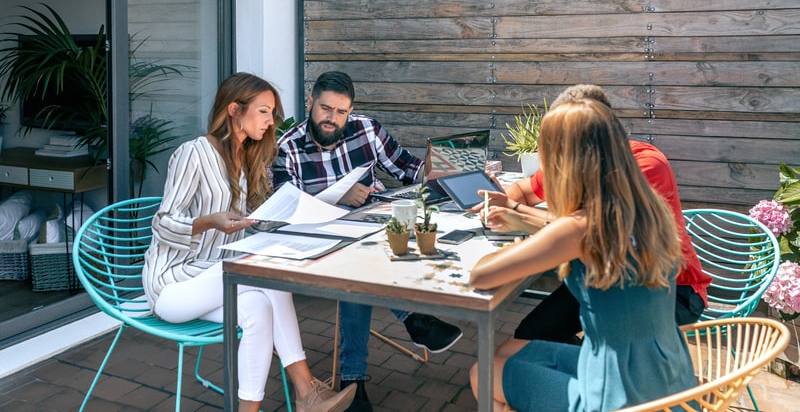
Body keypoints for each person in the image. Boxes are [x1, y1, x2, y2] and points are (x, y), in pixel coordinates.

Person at [142, 73, 356, 412]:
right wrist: (211, 220)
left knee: (258, 309)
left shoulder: (246, 159)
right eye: (264, 111)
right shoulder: (193, 153)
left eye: (272, 113)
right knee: (266, 274)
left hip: (210, 276)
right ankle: (305, 390)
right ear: (234, 110)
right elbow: (162, 224)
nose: (272, 122)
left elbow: (242, 230)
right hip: (173, 284)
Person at [469, 98, 697, 411]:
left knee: (481, 372)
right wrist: (525, 216)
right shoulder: (646, 206)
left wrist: (519, 227)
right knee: (511, 348)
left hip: (618, 398)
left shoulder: (582, 226)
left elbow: (481, 275)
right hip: (666, 381)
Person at [273, 71, 462, 412]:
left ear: (351, 110)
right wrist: (336, 196)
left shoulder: (366, 129)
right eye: (325, 109)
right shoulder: (287, 147)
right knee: (355, 270)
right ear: (310, 103)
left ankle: (353, 382)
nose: (332, 119)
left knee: (381, 247)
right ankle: (412, 321)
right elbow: (285, 206)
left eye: (341, 112)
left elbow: (408, 167)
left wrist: (441, 167)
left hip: (370, 233)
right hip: (318, 241)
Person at [479, 84, 711, 343]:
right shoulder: (573, 164)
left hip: (668, 289)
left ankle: (593, 375)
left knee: (587, 342)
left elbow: (586, 230)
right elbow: (525, 190)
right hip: (604, 277)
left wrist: (518, 214)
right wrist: (501, 205)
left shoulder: (644, 166)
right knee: (533, 335)